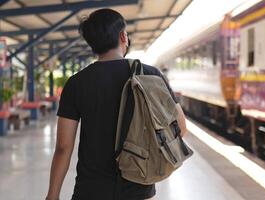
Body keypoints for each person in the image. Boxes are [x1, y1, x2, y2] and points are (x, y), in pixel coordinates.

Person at [45, 8, 187, 200]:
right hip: (139, 187)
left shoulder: (77, 83)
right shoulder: (149, 74)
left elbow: (63, 146)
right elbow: (180, 127)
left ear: (92, 44)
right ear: (123, 37)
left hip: (90, 190)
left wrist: (52, 196)